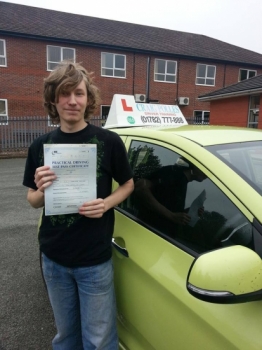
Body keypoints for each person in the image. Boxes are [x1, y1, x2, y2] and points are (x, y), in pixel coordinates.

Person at [23, 61, 134, 350]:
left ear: (89, 99)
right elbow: (33, 201)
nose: (72, 101)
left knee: (98, 341)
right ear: (53, 100)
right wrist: (43, 189)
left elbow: (128, 184)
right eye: (65, 93)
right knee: (65, 337)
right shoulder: (41, 146)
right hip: (54, 259)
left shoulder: (108, 142)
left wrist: (106, 204)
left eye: (80, 94)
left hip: (94, 260)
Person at [134, 157, 206, 236]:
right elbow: (141, 187)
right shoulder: (172, 173)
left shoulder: (183, 181)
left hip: (163, 237)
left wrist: (189, 213)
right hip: (146, 232)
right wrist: (171, 216)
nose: (207, 175)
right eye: (205, 168)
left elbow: (167, 205)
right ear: (196, 164)